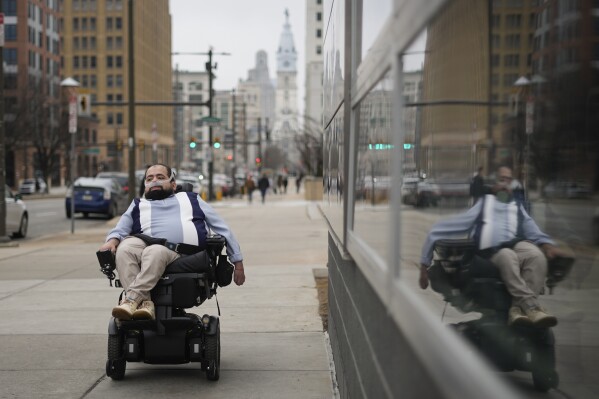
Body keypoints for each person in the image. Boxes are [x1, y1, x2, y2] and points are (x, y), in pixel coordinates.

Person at [419, 166, 569, 328]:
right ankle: (531, 307)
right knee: (507, 255)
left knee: (536, 255)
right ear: (493, 184)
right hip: (491, 253)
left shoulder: (517, 206)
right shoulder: (483, 205)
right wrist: (423, 266)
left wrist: (548, 246)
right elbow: (438, 231)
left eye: (509, 180)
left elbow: (533, 231)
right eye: (501, 180)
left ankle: (517, 310)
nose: (505, 184)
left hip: (517, 246)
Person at [98, 163, 245, 321]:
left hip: (182, 253)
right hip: (146, 247)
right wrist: (112, 241)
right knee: (125, 248)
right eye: (150, 178)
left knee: (154, 251)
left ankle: (132, 300)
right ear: (146, 185)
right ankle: (145, 305)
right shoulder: (138, 204)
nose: (155, 181)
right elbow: (119, 230)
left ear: (173, 184)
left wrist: (237, 262)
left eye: (160, 177)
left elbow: (223, 228)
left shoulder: (191, 199)